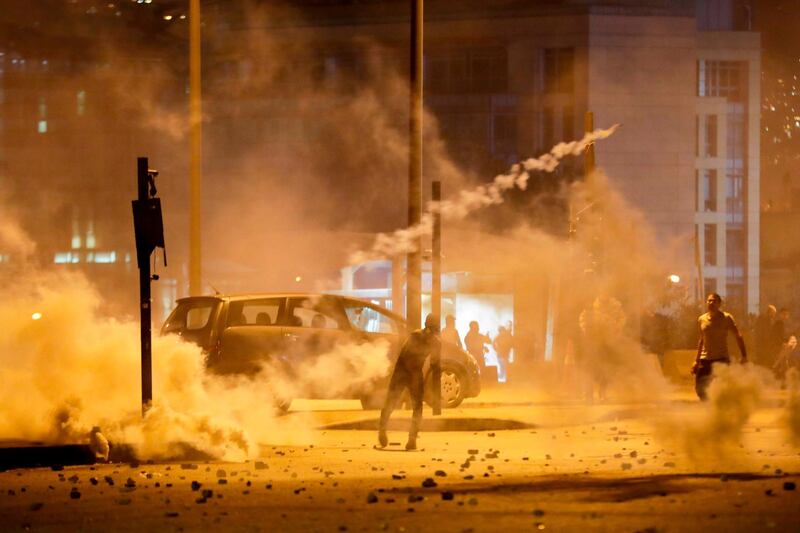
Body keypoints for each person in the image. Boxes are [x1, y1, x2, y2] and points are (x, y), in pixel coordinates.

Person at [378, 313, 441, 451]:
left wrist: (436, 400)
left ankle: (412, 439)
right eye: (431, 329)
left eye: (434, 330)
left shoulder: (435, 342)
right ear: (427, 327)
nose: (431, 333)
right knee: (391, 401)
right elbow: (403, 355)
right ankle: (382, 428)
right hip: (403, 371)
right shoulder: (415, 336)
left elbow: (436, 367)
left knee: (417, 406)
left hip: (414, 373)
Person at [691, 293, 748, 400]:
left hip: (721, 359)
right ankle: (707, 409)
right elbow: (701, 340)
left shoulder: (726, 318)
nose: (711, 303)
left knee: (723, 389)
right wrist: (696, 361)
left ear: (719, 304)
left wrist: (744, 355)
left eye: (714, 301)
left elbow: (738, 336)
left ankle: (723, 411)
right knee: (700, 389)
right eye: (709, 301)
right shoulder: (701, 319)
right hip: (705, 359)